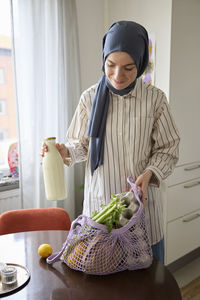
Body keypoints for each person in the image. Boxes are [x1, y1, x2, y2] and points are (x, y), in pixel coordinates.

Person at [41, 21, 180, 263]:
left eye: (128, 67)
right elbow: (81, 145)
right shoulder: (90, 98)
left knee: (147, 290)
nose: (118, 76)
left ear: (141, 63)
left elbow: (168, 148)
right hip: (101, 205)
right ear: (103, 59)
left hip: (140, 207)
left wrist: (148, 174)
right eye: (110, 65)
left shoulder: (155, 100)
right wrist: (65, 150)